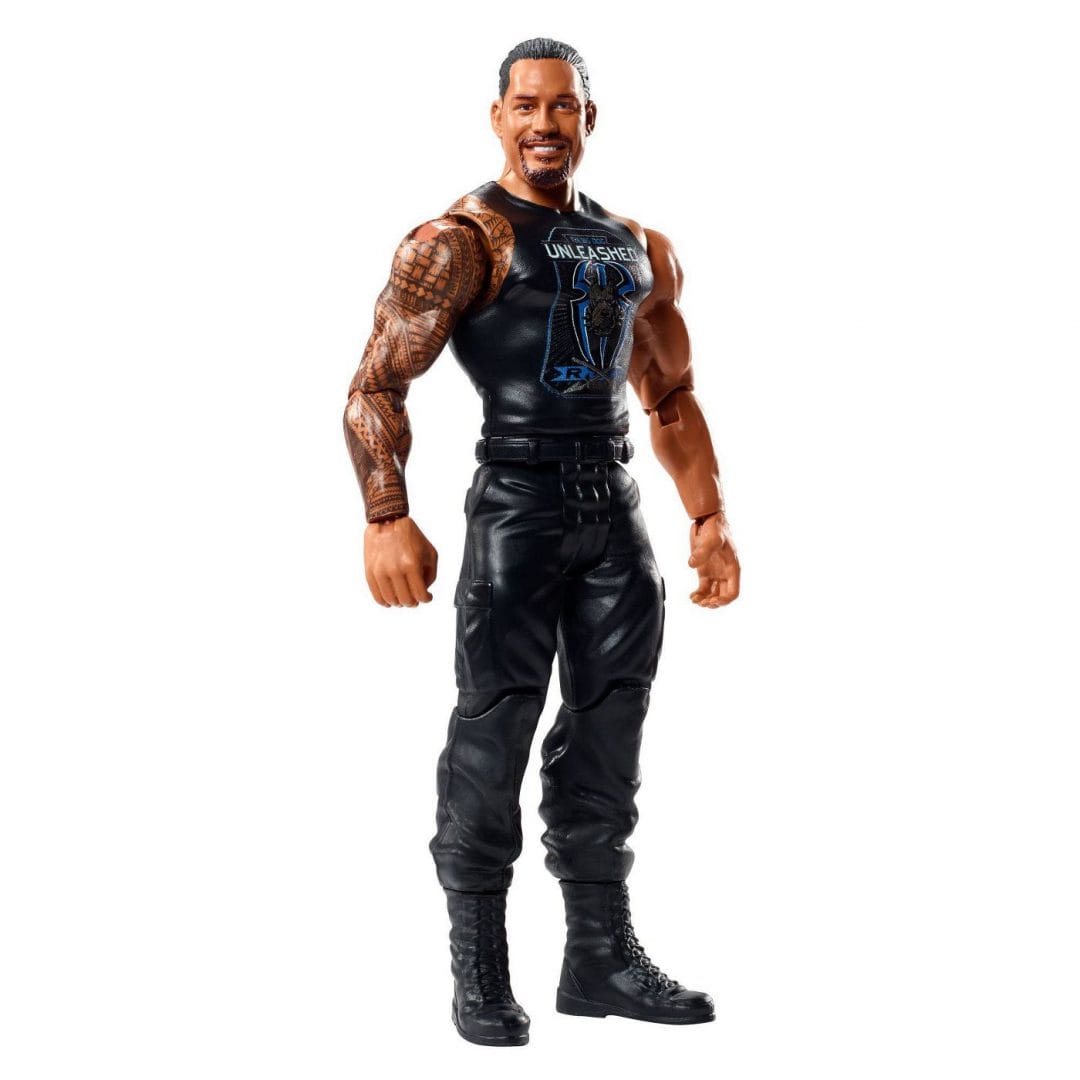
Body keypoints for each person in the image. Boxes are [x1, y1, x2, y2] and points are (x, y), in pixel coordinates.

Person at [343, 38, 740, 1046]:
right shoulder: (459, 240)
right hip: (516, 506)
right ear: (498, 118)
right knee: (494, 728)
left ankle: (599, 960)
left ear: (588, 119)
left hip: (614, 511)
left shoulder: (636, 245)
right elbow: (376, 385)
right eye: (526, 106)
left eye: (562, 106)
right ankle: (480, 970)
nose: (544, 124)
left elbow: (670, 394)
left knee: (611, 729)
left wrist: (707, 517)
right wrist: (386, 513)